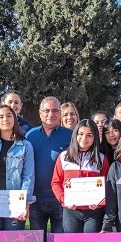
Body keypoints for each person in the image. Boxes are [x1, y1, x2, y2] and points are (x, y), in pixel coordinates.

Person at [0, 105, 35, 231]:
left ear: (15, 119)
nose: (5, 119)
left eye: (9, 115)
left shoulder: (26, 146)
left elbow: (28, 177)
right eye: (1, 116)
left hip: (15, 203)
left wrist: (25, 203)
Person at [51, 119, 109, 233]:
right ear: (75, 135)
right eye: (81, 134)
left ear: (95, 137)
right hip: (71, 211)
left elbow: (107, 185)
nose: (84, 139)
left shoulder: (101, 158)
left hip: (93, 212)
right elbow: (56, 182)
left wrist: (100, 201)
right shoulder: (63, 156)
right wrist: (64, 200)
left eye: (89, 135)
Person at [26, 97, 72, 233]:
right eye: (46, 110)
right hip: (35, 200)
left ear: (60, 113)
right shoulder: (30, 135)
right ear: (40, 113)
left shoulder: (70, 135)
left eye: (55, 110)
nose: (50, 114)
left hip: (60, 199)